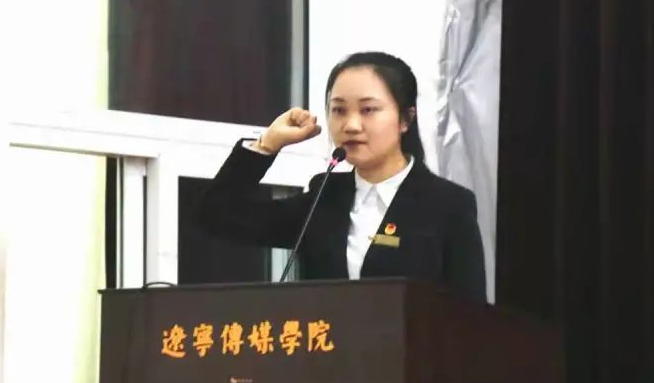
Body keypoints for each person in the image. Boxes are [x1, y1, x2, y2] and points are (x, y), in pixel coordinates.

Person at [199, 51, 486, 303]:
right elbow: (218, 216)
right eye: (338, 110)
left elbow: (470, 315)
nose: (351, 125)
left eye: (368, 110)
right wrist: (267, 144)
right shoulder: (325, 197)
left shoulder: (448, 204)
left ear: (405, 119)